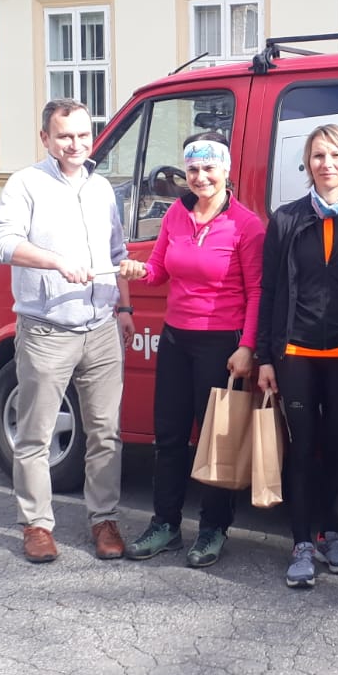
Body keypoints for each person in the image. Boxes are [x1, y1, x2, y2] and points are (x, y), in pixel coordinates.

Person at [0, 99, 132, 564]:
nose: (75, 144)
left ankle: (104, 519)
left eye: (83, 135)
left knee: (106, 432)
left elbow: (117, 252)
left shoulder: (101, 187)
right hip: (48, 330)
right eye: (65, 135)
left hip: (101, 327)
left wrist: (125, 307)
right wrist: (54, 261)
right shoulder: (25, 184)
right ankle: (36, 525)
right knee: (36, 434)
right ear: (46, 138)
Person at [117, 132, 263, 568]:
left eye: (209, 168)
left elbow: (258, 292)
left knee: (217, 438)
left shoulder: (246, 225)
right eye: (193, 169)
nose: (200, 177)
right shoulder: (176, 216)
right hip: (176, 338)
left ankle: (214, 528)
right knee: (169, 436)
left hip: (222, 343)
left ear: (226, 170)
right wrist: (139, 270)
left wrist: (248, 346)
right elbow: (159, 270)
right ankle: (165, 524)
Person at [256, 124, 338, 589]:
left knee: (336, 447)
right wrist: (265, 356)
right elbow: (269, 290)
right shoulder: (286, 219)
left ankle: (330, 533)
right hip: (295, 353)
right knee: (302, 447)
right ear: (307, 164)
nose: (326, 164)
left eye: (335, 155)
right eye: (317, 156)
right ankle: (300, 543)